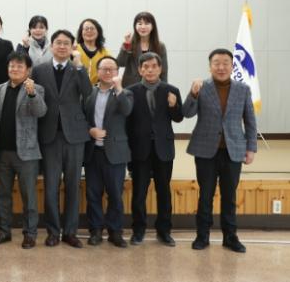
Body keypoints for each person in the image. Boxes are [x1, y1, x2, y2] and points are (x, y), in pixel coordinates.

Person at [183, 48, 257, 253]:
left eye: (225, 63)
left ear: (232, 66)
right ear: (210, 66)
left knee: (229, 196)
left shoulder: (243, 89)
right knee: (205, 195)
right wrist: (193, 93)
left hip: (233, 150)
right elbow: (186, 113)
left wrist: (251, 148)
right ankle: (202, 236)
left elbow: (250, 121)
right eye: (216, 63)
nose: (221, 67)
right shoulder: (201, 87)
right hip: (205, 151)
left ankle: (230, 237)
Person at [31, 30, 91, 248]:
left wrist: (80, 66)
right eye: (58, 43)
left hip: (74, 135)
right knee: (51, 187)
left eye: (67, 43)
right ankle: (53, 232)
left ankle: (71, 232)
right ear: (52, 45)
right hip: (49, 135)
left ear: (72, 46)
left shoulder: (78, 69)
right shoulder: (39, 70)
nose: (62, 46)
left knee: (73, 186)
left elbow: (88, 93)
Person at [0, 52, 47, 249]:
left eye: (19, 66)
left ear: (28, 70)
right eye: (12, 66)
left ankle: (30, 234)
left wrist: (32, 94)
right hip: (2, 152)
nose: (15, 69)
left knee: (29, 196)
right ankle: (3, 231)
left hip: (27, 153)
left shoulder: (36, 89)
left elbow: (40, 112)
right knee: (3, 195)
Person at [127, 52, 183, 247]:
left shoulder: (171, 90)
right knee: (139, 193)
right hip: (139, 150)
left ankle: (164, 231)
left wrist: (174, 106)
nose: (150, 70)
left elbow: (179, 118)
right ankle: (138, 231)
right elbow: (127, 123)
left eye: (153, 66)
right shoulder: (130, 91)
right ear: (140, 70)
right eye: (146, 67)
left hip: (163, 149)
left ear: (160, 69)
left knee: (164, 192)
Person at [84, 56, 133, 248]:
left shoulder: (126, 93)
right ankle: (95, 230)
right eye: (104, 69)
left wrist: (118, 88)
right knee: (93, 194)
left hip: (115, 152)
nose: (107, 72)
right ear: (97, 71)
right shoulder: (89, 93)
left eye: (112, 69)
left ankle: (115, 231)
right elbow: (80, 117)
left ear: (117, 72)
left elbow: (127, 111)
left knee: (115, 194)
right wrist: (90, 130)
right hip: (93, 152)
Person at [117, 11, 168, 88]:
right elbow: (120, 63)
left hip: (153, 86)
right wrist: (127, 45)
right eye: (140, 24)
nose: (143, 27)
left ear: (152, 26)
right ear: (135, 26)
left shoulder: (160, 46)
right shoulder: (129, 43)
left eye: (147, 23)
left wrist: (164, 89)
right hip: (130, 86)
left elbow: (163, 71)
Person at [75, 18, 110, 85]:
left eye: (92, 28)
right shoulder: (74, 49)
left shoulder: (105, 52)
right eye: (86, 29)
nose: (89, 31)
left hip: (97, 88)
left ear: (98, 32)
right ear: (81, 32)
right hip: (76, 88)